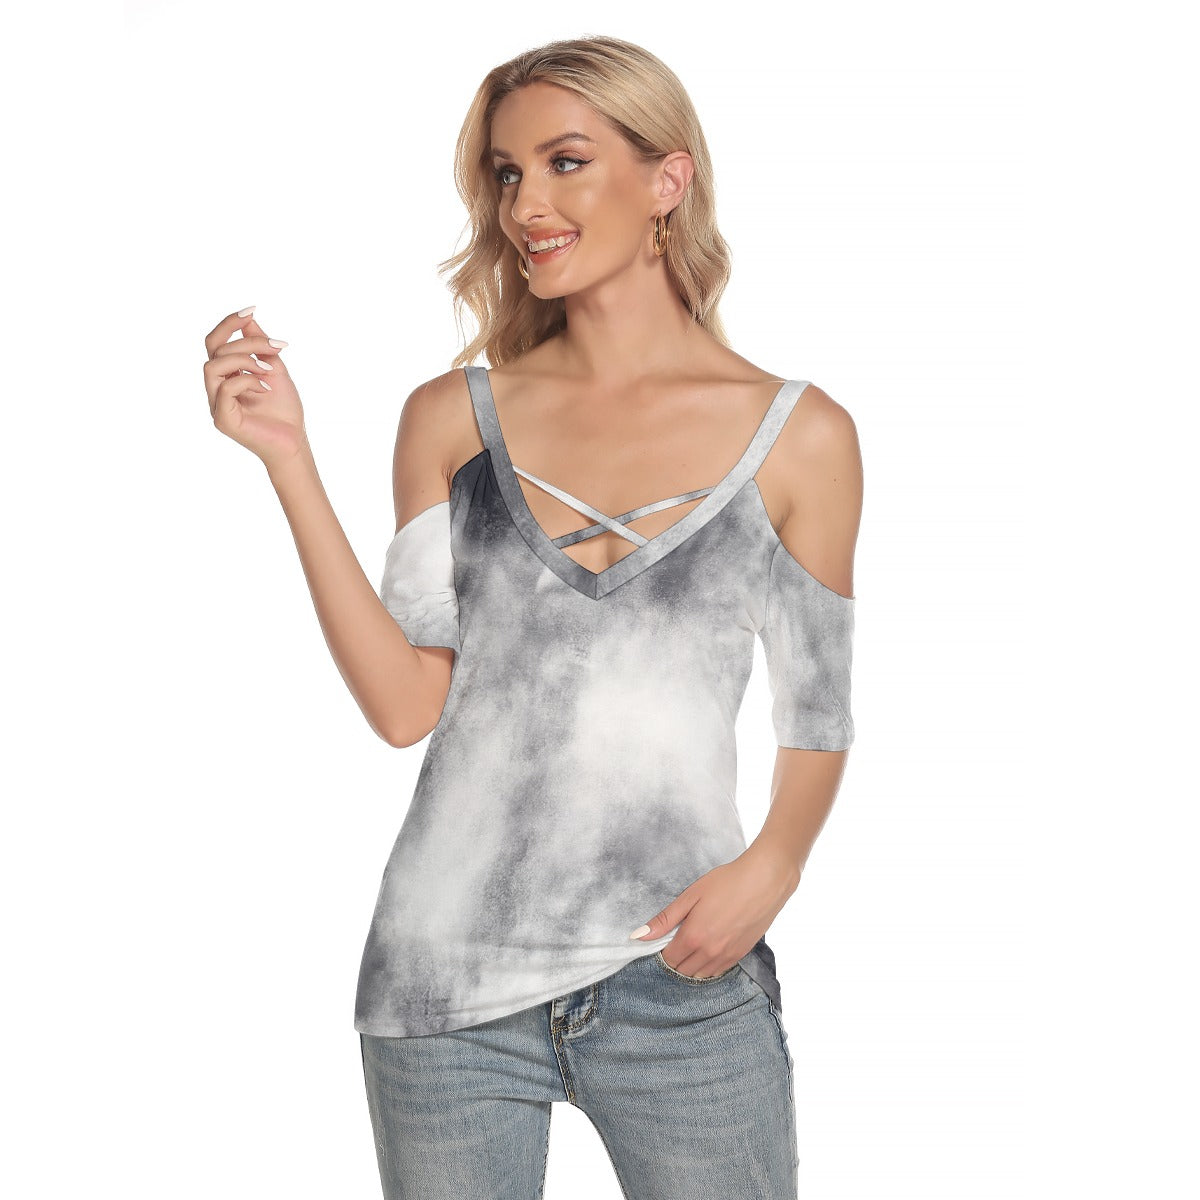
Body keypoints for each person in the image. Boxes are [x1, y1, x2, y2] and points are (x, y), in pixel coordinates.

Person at [203, 34, 861, 1200]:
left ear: (667, 180)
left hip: (681, 977)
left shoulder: (799, 435)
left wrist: (777, 863)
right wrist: (289, 462)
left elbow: (817, 714)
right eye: (507, 174)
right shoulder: (450, 420)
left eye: (565, 163)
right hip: (445, 981)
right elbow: (406, 706)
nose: (525, 206)